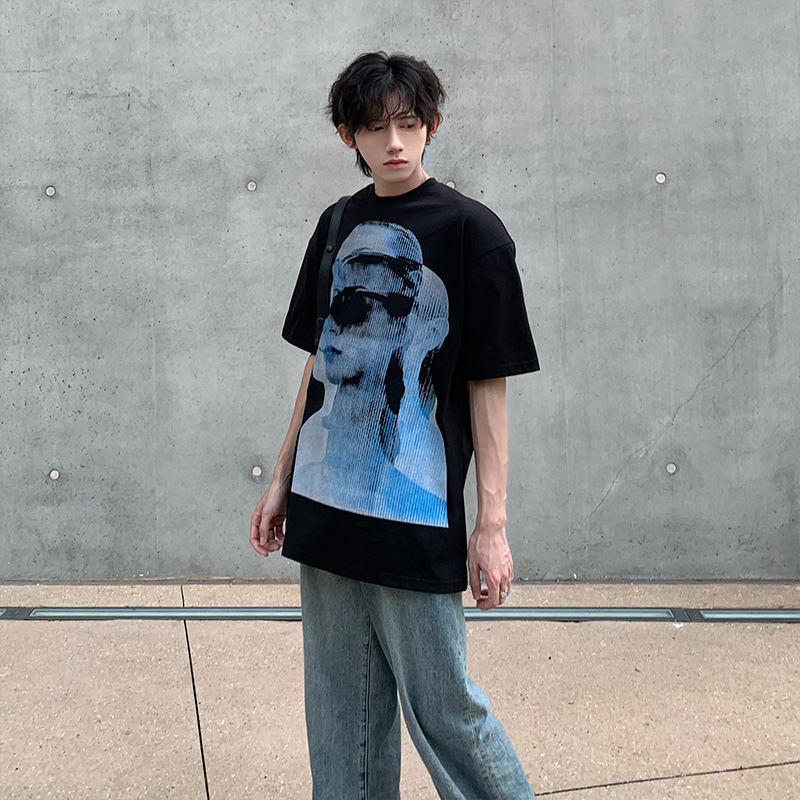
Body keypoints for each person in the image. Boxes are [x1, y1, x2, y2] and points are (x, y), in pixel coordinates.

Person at [250, 51, 540, 800]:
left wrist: (492, 525)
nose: (395, 143)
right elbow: (317, 361)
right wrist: (282, 478)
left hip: (417, 521)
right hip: (325, 510)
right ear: (348, 134)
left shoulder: (473, 232)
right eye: (376, 128)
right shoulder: (337, 223)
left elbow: (488, 384)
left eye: (408, 124)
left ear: (432, 124)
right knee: (339, 714)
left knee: (446, 710)